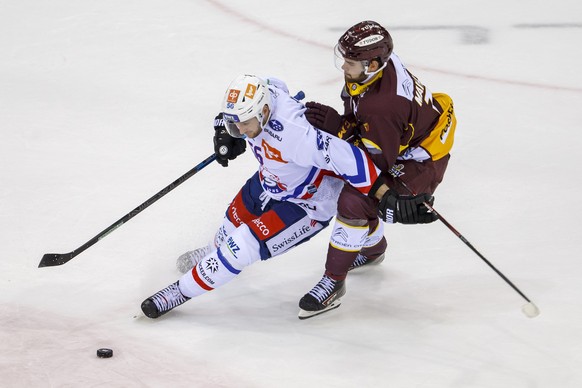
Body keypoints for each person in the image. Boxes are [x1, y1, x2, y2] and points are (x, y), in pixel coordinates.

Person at [140, 74, 430, 318]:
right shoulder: (265, 94)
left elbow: (352, 160)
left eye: (244, 124)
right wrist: (224, 130)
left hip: (308, 202)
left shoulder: (298, 135)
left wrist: (386, 195)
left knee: (241, 247)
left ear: (265, 113)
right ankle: (373, 245)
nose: (240, 131)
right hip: (270, 179)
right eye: (235, 123)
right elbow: (266, 86)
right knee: (230, 224)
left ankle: (178, 292)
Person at [298, 20, 457, 319]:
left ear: (372, 65)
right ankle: (371, 250)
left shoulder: (382, 108)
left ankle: (334, 281)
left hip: (420, 161)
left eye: (350, 62)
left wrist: (339, 128)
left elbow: (374, 163)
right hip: (403, 138)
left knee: (355, 198)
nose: (344, 67)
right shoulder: (376, 72)